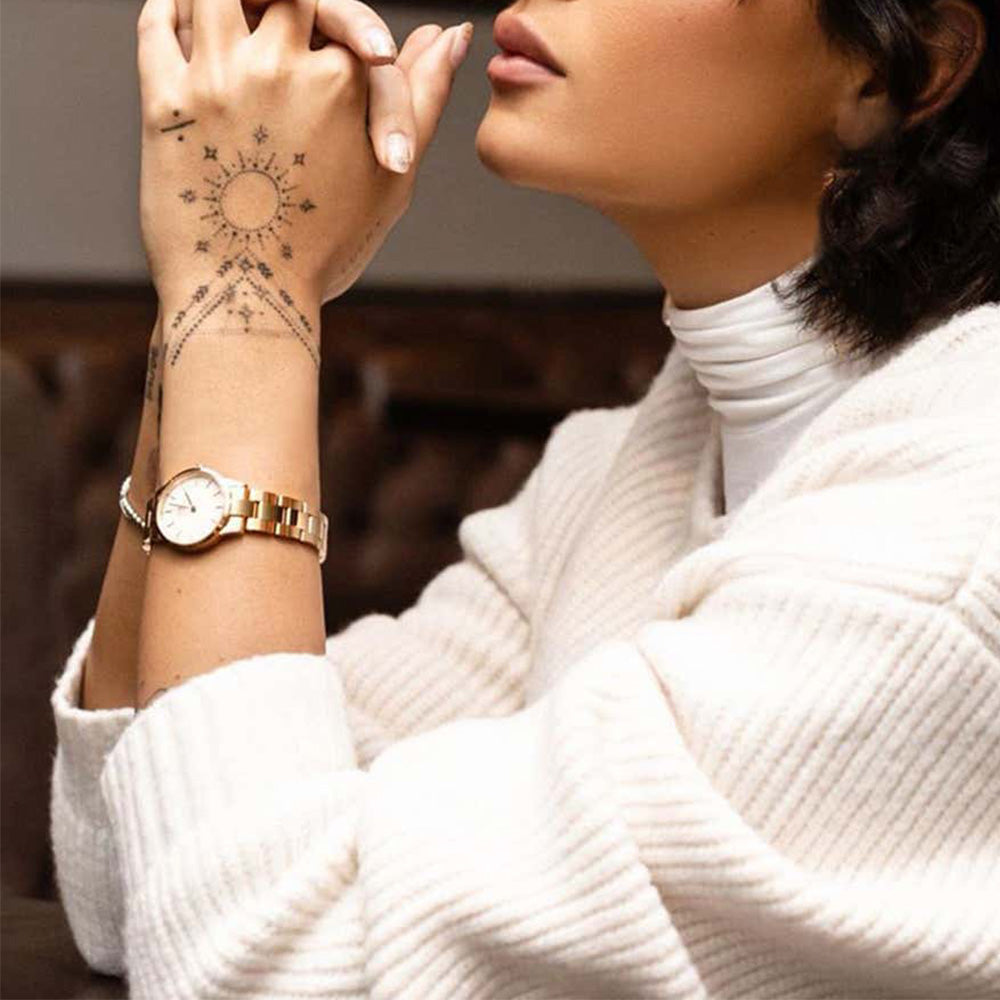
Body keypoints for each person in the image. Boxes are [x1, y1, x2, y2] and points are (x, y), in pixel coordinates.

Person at [49, 0, 999, 996]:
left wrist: (248, 276)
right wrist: (214, 272)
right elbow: (132, 872)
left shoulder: (946, 550)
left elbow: (260, 966)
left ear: (903, 65)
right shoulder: (619, 473)